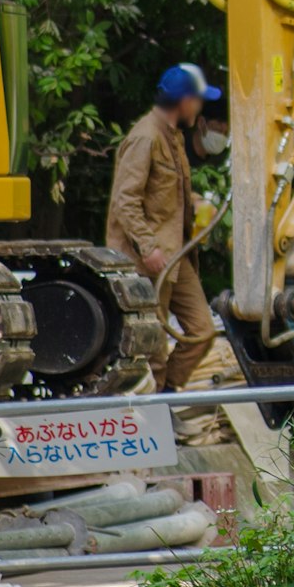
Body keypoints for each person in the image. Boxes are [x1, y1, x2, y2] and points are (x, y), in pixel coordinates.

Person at [109, 64, 222, 400]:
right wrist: (147, 247)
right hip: (149, 260)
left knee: (203, 331)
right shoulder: (145, 136)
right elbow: (124, 201)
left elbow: (167, 195)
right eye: (198, 100)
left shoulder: (173, 135)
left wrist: (199, 203)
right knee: (154, 346)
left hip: (175, 255)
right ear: (184, 101)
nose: (200, 107)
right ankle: (154, 411)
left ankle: (167, 394)